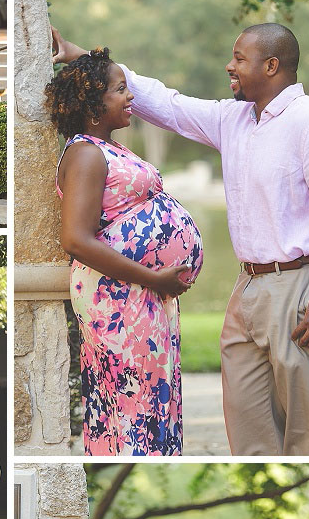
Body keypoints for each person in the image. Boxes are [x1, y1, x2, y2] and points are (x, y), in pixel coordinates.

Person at [52, 24, 309, 455]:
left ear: (272, 66)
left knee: (307, 434)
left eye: (239, 58)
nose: (229, 66)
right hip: (248, 288)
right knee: (248, 429)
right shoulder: (234, 119)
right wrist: (81, 57)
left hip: (300, 288)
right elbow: (169, 104)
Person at [46, 48, 203, 455]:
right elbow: (76, 239)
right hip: (119, 296)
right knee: (133, 402)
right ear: (95, 105)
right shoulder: (85, 153)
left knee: (153, 399)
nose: (130, 96)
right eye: (120, 90)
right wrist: (153, 277)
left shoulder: (107, 147)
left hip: (140, 293)